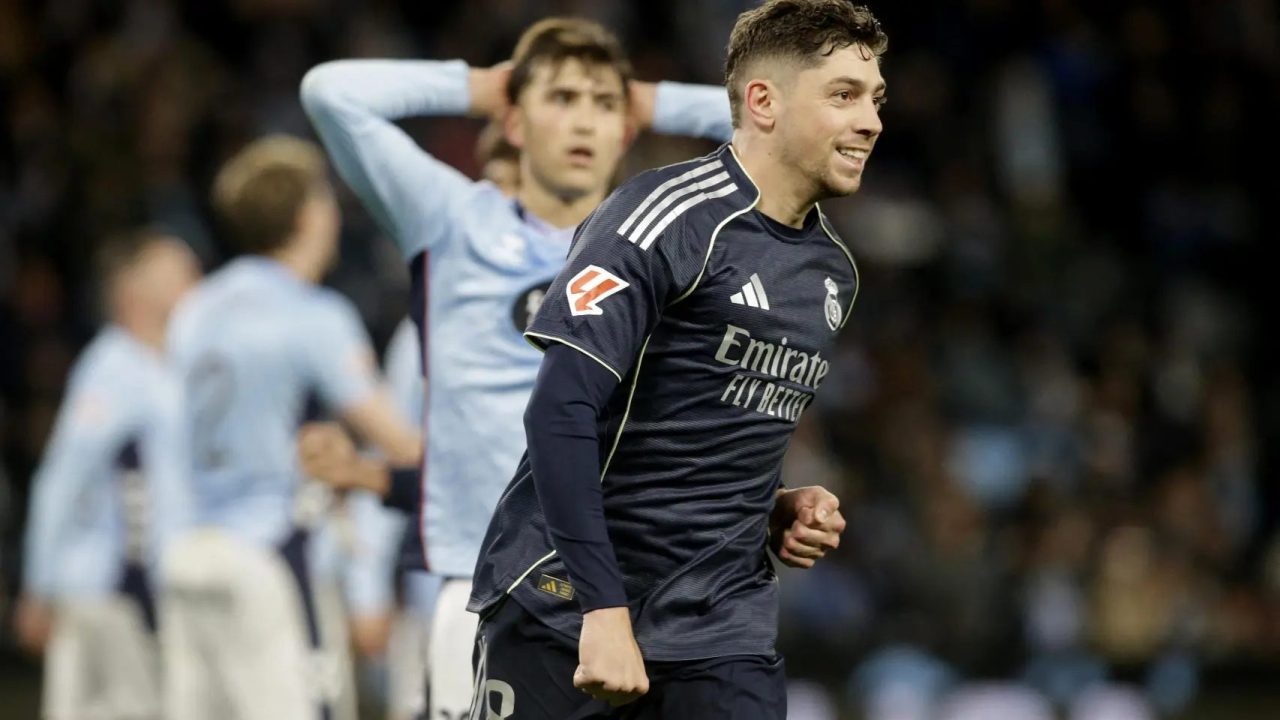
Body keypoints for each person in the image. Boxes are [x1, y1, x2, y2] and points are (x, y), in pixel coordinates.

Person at [297, 17, 732, 717]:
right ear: (514, 121)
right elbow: (330, 92)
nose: (583, 121)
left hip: (627, 597)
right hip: (483, 589)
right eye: (561, 98)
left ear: (626, 129)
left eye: (603, 104)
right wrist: (481, 86)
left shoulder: (662, 245)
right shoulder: (450, 221)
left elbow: (781, 129)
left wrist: (650, 101)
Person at [467, 1, 887, 717]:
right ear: (763, 102)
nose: (871, 121)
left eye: (876, 99)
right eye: (843, 95)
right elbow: (559, 413)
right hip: (565, 608)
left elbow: (696, 426)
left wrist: (772, 507)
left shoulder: (833, 271)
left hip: (721, 628)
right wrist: (602, 610)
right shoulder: (662, 217)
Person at [161, 135, 421, 720]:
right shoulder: (313, 315)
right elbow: (399, 442)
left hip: (189, 550)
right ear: (308, 215)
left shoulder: (195, 307)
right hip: (273, 554)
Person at [16, 229, 200, 720]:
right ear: (133, 290)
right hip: (106, 592)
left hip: (159, 593)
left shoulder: (172, 365)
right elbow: (62, 479)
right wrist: (40, 583)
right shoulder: (112, 368)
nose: (195, 281)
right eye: (178, 272)